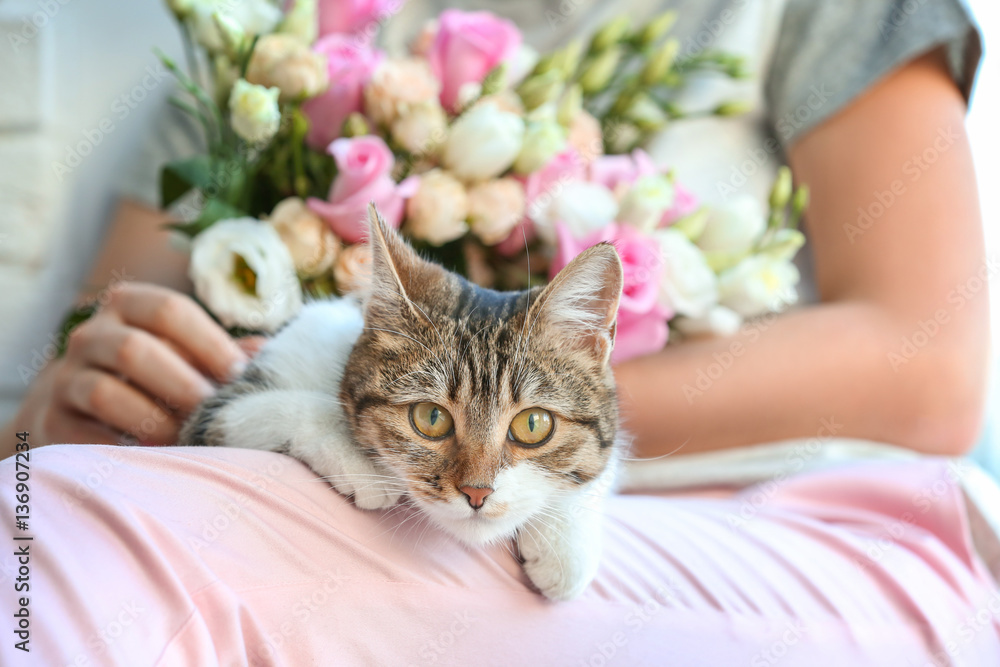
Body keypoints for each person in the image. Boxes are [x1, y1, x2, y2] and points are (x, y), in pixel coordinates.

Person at [2, 1, 998, 665]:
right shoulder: (262, 39)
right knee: (43, 512)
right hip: (297, 488)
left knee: (102, 542)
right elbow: (87, 366)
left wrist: (500, 419)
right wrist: (53, 421)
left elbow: (931, 362)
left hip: (776, 515)